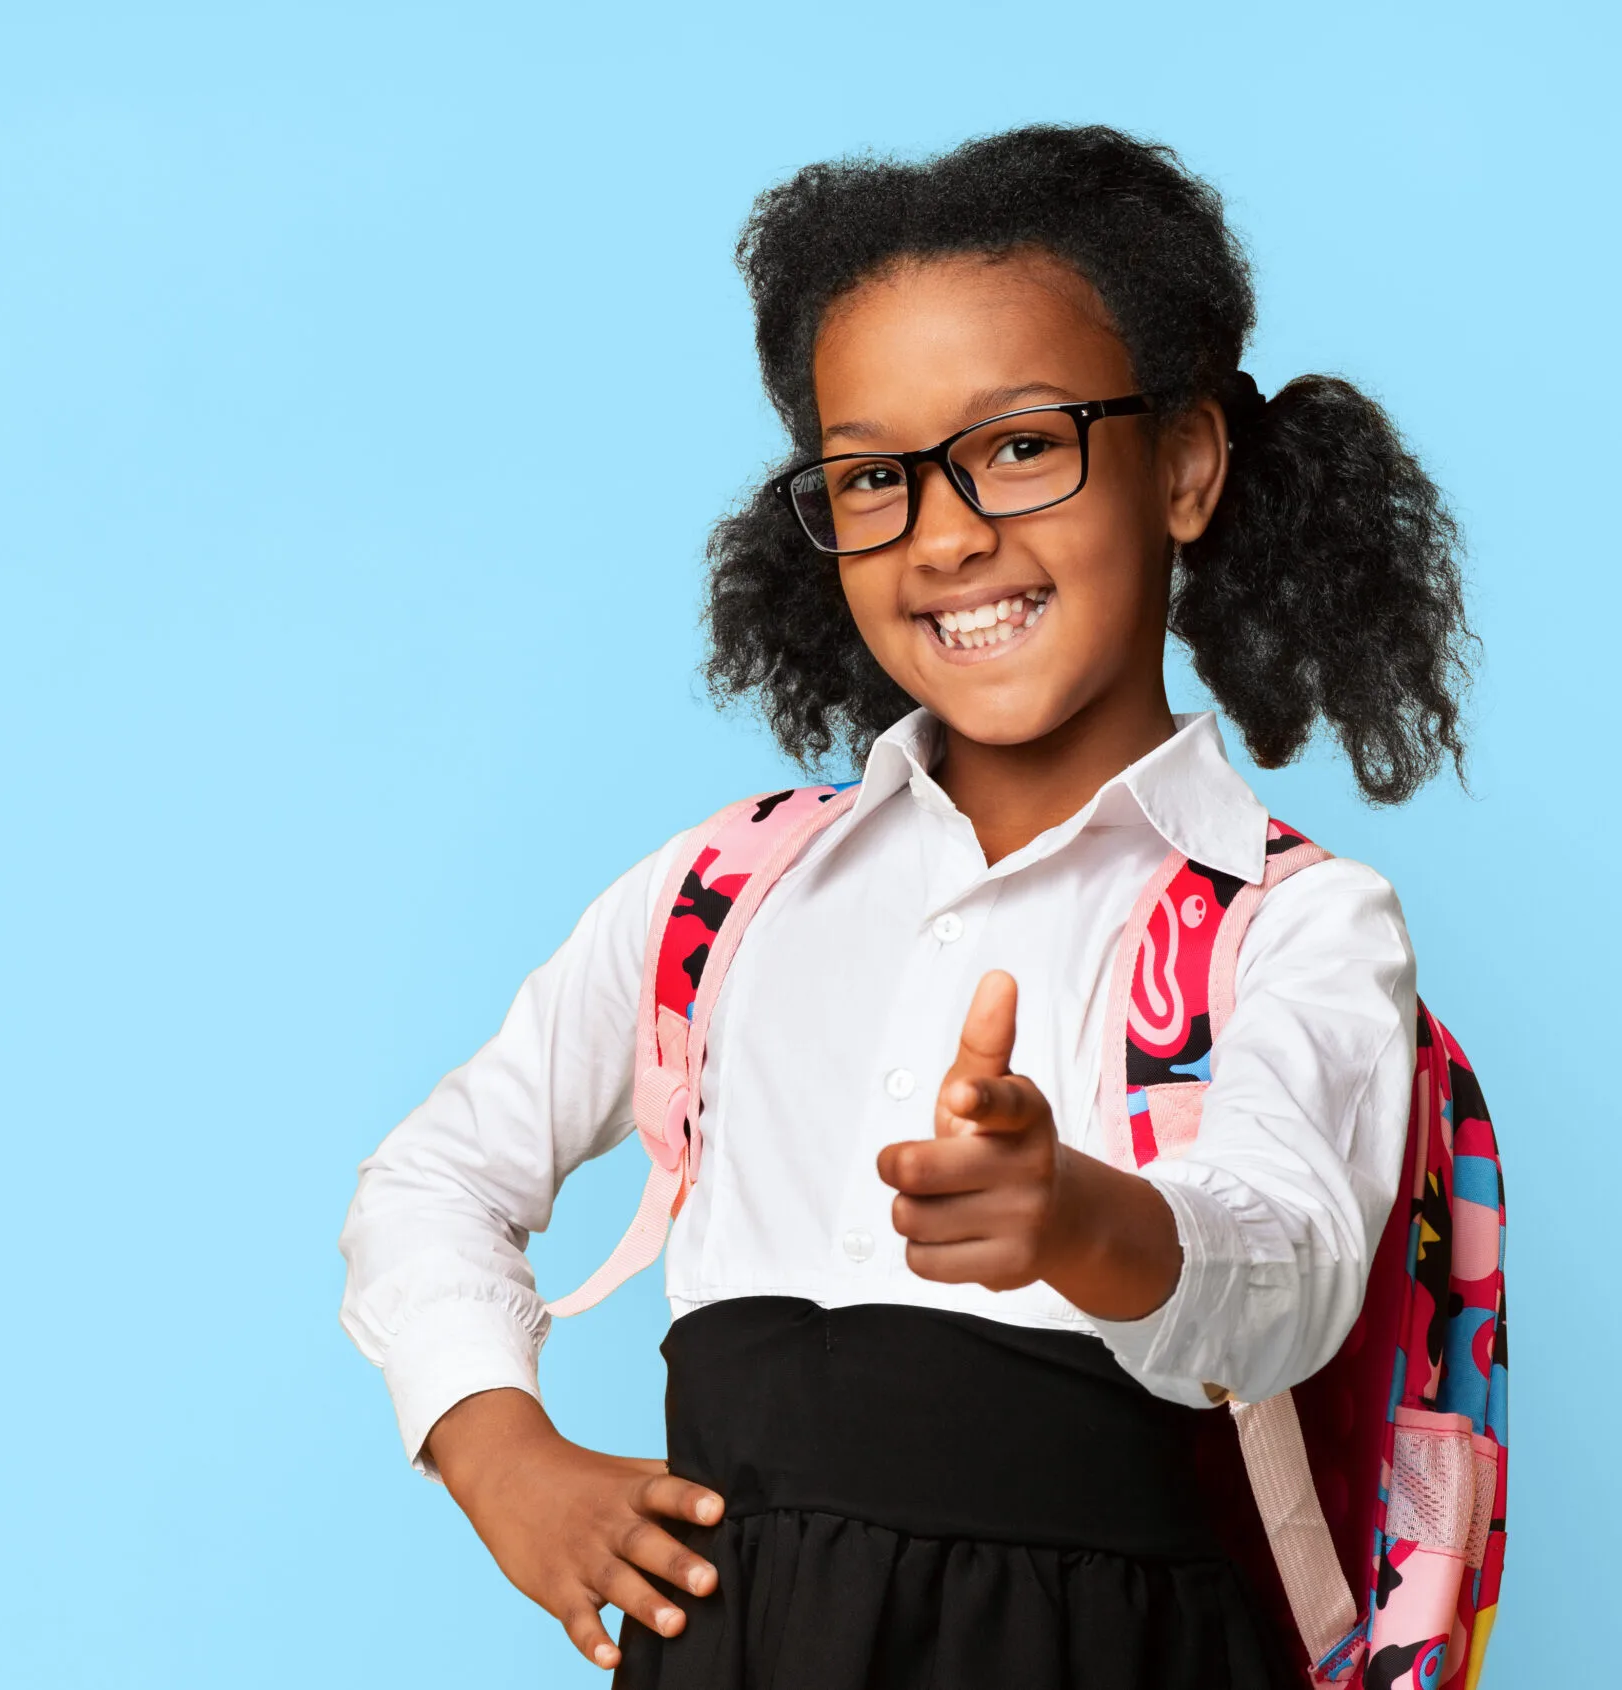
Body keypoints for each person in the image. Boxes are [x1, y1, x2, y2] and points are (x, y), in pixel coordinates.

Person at [338, 123, 1474, 1690]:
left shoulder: (1292, 921)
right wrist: (492, 1441)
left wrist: (1083, 1215)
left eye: (1020, 443)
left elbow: (1286, 1269)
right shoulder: (725, 892)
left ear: (1189, 465)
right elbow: (429, 1176)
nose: (945, 532)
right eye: (874, 475)